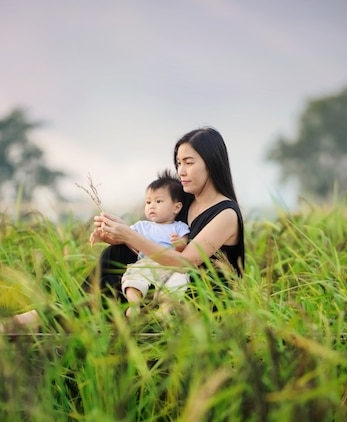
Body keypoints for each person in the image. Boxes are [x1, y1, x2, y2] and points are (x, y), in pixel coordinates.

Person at [89, 126, 245, 301]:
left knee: (109, 286)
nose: (181, 171)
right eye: (179, 163)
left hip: (198, 297)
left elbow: (184, 263)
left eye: (189, 162)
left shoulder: (226, 214)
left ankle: (77, 317)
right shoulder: (185, 201)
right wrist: (121, 233)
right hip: (166, 280)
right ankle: (76, 313)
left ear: (211, 164)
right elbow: (159, 245)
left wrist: (130, 236)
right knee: (115, 254)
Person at [93, 171, 190, 317]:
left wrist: (179, 244)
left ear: (176, 207)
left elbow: (184, 245)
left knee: (178, 282)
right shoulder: (142, 226)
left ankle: (165, 309)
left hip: (170, 266)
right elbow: (123, 238)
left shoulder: (179, 226)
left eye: (158, 201)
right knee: (132, 278)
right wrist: (106, 238)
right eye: (148, 202)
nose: (152, 206)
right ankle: (134, 305)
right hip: (145, 264)